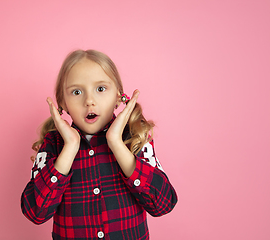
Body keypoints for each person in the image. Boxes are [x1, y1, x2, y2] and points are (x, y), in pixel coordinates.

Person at [21, 49, 177, 240]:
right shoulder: (53, 144)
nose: (89, 101)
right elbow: (34, 212)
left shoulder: (135, 137)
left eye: (101, 89)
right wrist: (69, 148)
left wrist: (116, 144)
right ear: (63, 102)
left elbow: (164, 204)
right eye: (76, 92)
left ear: (119, 96)